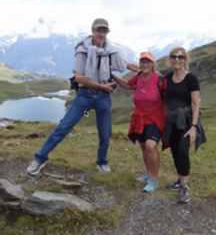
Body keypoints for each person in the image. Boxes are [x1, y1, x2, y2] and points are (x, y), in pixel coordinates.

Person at [26, 18, 139, 176]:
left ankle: (102, 162)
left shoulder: (111, 51)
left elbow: (127, 65)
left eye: (104, 31)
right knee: (63, 127)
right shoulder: (83, 50)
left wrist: (148, 71)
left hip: (103, 97)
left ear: (107, 33)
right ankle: (40, 158)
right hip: (85, 95)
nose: (101, 34)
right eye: (98, 30)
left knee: (105, 133)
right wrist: (101, 86)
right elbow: (78, 77)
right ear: (92, 31)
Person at [111, 52, 167, 192]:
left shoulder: (159, 78)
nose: (145, 64)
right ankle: (148, 174)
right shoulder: (137, 77)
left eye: (148, 62)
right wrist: (112, 76)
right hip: (140, 118)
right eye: (142, 62)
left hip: (156, 118)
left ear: (153, 64)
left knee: (151, 146)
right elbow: (127, 85)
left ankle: (154, 179)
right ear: (139, 64)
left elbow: (172, 93)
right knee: (143, 145)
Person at [162, 46, 206, 203]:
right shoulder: (167, 79)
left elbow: (195, 104)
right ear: (170, 59)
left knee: (182, 150)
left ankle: (184, 186)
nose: (177, 59)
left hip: (187, 120)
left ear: (185, 60)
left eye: (180, 57)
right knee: (174, 150)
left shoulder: (191, 79)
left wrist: (194, 127)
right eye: (174, 56)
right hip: (172, 121)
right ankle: (179, 180)